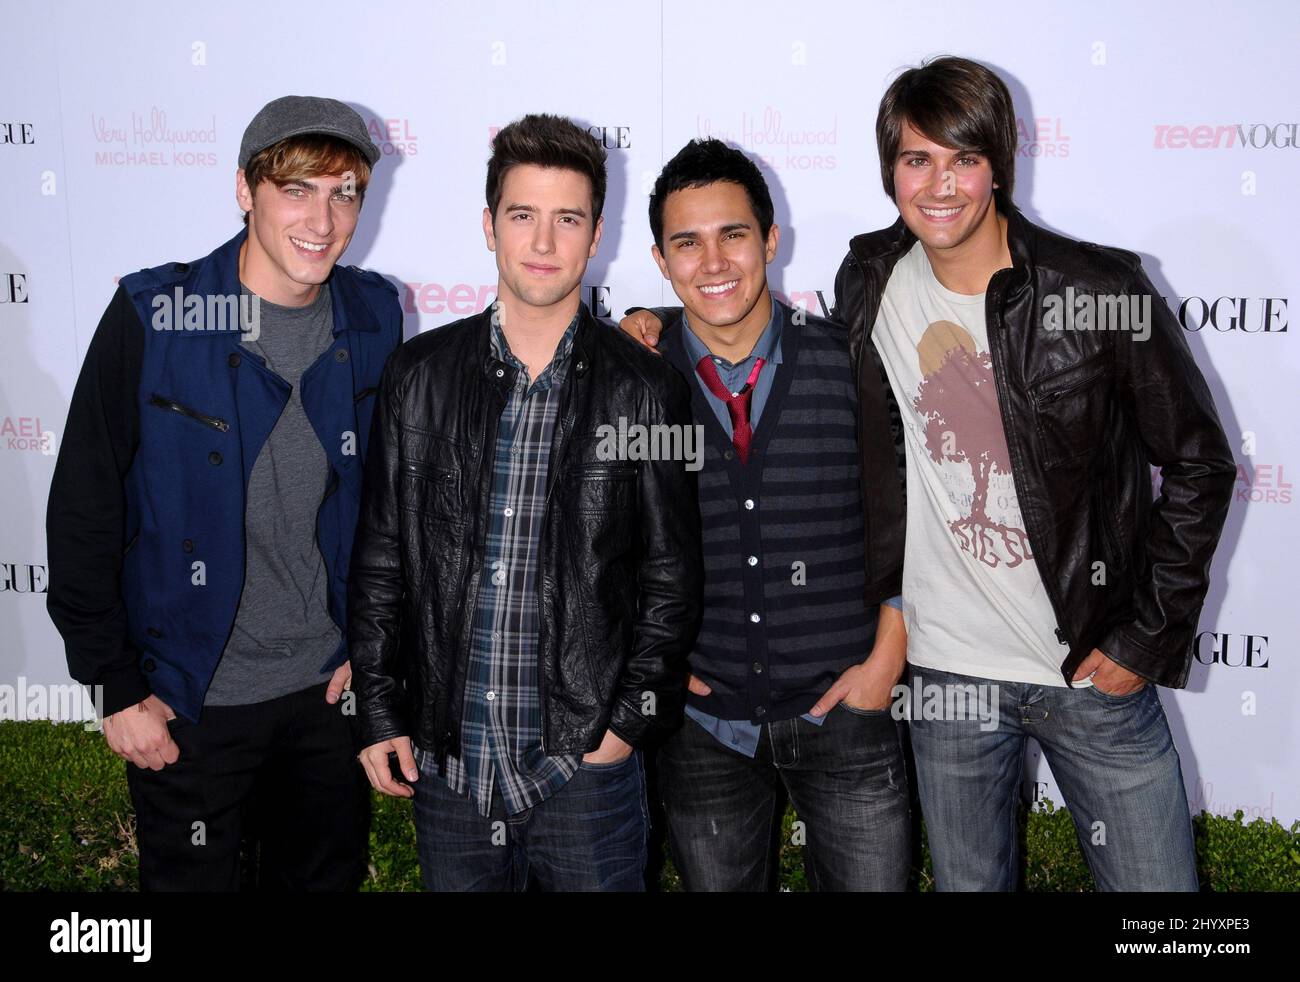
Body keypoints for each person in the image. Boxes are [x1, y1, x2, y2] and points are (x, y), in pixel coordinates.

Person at [622, 57, 1235, 892]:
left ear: (999, 166)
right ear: (891, 174)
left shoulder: (1097, 288)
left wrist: (1146, 635)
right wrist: (650, 323)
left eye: (963, 158)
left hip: (1089, 666)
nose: (939, 184)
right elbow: (734, 324)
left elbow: (1199, 460)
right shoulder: (873, 283)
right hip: (950, 682)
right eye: (917, 160)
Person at [46, 95, 402, 891]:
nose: (323, 218)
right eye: (297, 189)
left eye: (345, 192)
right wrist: (117, 686)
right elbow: (84, 506)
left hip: (324, 696)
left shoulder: (374, 313)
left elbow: (389, 502)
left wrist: (374, 652)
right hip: (189, 700)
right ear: (246, 190)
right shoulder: (156, 314)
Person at [349, 113, 704, 892]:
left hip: (585, 773)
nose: (543, 243)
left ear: (595, 235)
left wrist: (620, 731)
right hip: (451, 767)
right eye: (522, 216)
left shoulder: (645, 389)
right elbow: (382, 556)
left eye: (566, 219)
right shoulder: (419, 376)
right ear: (488, 226)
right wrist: (379, 709)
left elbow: (671, 578)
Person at [643, 138, 909, 891]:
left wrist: (885, 662)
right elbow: (597, 538)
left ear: (770, 239)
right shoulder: (636, 382)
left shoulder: (853, 364)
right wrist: (649, 661)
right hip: (701, 730)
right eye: (686, 243)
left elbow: (913, 517)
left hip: (848, 715)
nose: (714, 262)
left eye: (733, 234)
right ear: (661, 262)